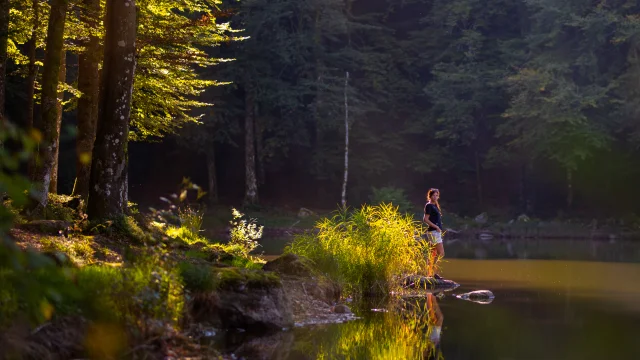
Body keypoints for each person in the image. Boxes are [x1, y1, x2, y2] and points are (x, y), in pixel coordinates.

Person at [423, 188, 445, 279]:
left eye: (437, 195)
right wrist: (436, 227)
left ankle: (430, 274)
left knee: (433, 253)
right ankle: (434, 273)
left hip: (435, 232)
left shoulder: (434, 205)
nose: (435, 197)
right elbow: (425, 219)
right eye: (434, 195)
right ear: (430, 196)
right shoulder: (429, 205)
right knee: (441, 253)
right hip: (433, 231)